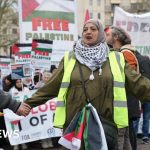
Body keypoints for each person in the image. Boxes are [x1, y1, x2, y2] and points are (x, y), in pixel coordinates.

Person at [25, 19, 150, 150]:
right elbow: (50, 87)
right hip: (75, 128)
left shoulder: (116, 58)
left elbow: (139, 84)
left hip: (107, 128)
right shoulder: (70, 58)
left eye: (93, 29)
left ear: (101, 33)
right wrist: (28, 103)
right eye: (85, 29)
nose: (88, 32)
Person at [105, 26, 141, 150]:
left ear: (116, 37)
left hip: (127, 103)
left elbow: (131, 78)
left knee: (128, 136)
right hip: (123, 103)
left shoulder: (125, 53)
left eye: (108, 35)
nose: (106, 37)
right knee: (126, 137)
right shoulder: (119, 53)